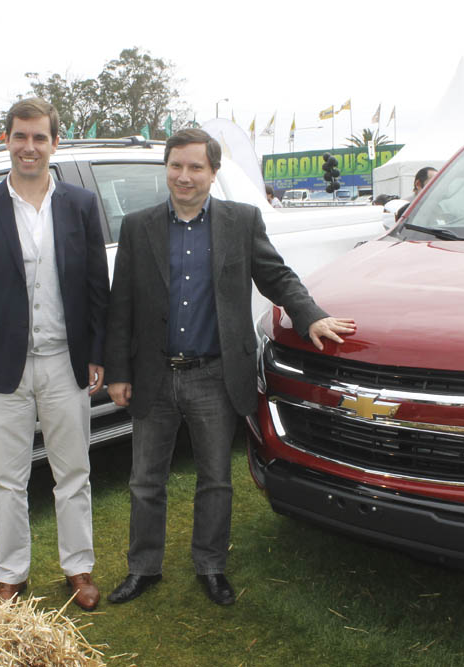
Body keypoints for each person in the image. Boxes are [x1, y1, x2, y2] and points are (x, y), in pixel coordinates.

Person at [103, 128, 356, 606]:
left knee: (215, 479)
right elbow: (122, 305)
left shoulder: (241, 221)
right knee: (144, 480)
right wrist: (119, 372)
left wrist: (311, 315)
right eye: (176, 166)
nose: (185, 176)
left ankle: (211, 565)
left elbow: (276, 275)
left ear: (213, 173)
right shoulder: (138, 227)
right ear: (166, 168)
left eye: (196, 167)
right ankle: (143, 567)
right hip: (153, 376)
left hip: (214, 375)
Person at [0, 97, 109, 610]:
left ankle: (78, 568)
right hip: (2, 368)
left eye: (39, 137)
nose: (29, 147)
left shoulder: (81, 205)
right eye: (20, 136)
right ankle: (11, 576)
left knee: (73, 472)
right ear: (6, 140)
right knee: (6, 479)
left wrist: (97, 351)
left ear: (54, 143)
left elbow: (94, 286)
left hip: (66, 362)